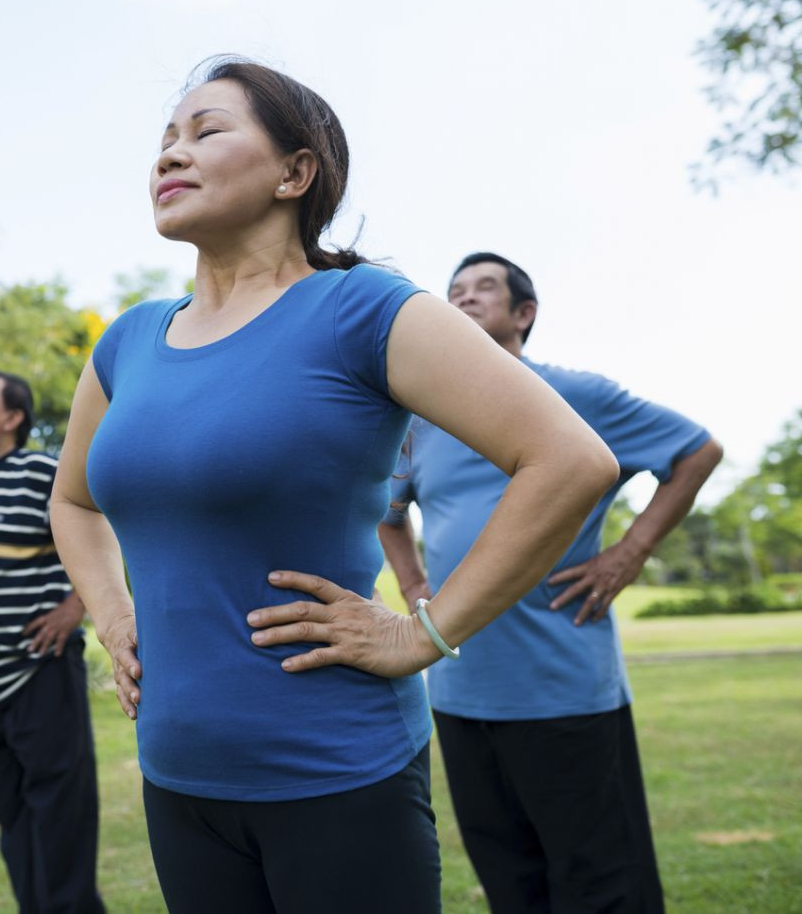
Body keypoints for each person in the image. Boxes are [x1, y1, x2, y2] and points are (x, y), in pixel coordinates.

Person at [48, 57, 622, 913]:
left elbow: (572, 461)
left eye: (206, 131)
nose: (169, 155)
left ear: (295, 170)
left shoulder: (364, 310)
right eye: (166, 139)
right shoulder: (129, 341)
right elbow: (74, 497)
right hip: (178, 778)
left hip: (339, 772)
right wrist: (112, 612)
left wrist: (424, 633)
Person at [381, 252, 722, 914]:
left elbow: (696, 450)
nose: (466, 299)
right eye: (455, 291)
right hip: (457, 688)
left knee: (602, 885)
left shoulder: (580, 396)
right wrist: (414, 580)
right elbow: (387, 516)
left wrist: (630, 552)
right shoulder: (422, 420)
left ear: (524, 313)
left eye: (485, 288)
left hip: (564, 687)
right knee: (512, 881)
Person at [0, 369, 104, 914]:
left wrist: (74, 607)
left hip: (39, 672)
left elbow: (101, 527)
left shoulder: (41, 469)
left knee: (60, 821)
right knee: (16, 828)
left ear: (13, 418)